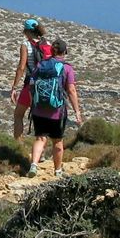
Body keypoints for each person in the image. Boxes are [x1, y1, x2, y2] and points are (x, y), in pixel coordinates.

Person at [26, 39, 82, 177]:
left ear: (51, 51)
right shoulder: (67, 68)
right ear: (65, 52)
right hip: (57, 111)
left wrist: (34, 102)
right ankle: (57, 171)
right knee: (57, 141)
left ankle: (34, 165)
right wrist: (77, 111)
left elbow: (31, 85)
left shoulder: (41, 64)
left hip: (39, 110)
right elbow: (71, 90)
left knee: (40, 138)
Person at [9, 18, 54, 140]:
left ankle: (19, 148)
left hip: (30, 84)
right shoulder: (48, 44)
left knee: (18, 115)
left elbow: (21, 67)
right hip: (46, 86)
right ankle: (41, 152)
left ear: (26, 31)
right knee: (41, 118)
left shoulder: (26, 45)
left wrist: (14, 87)